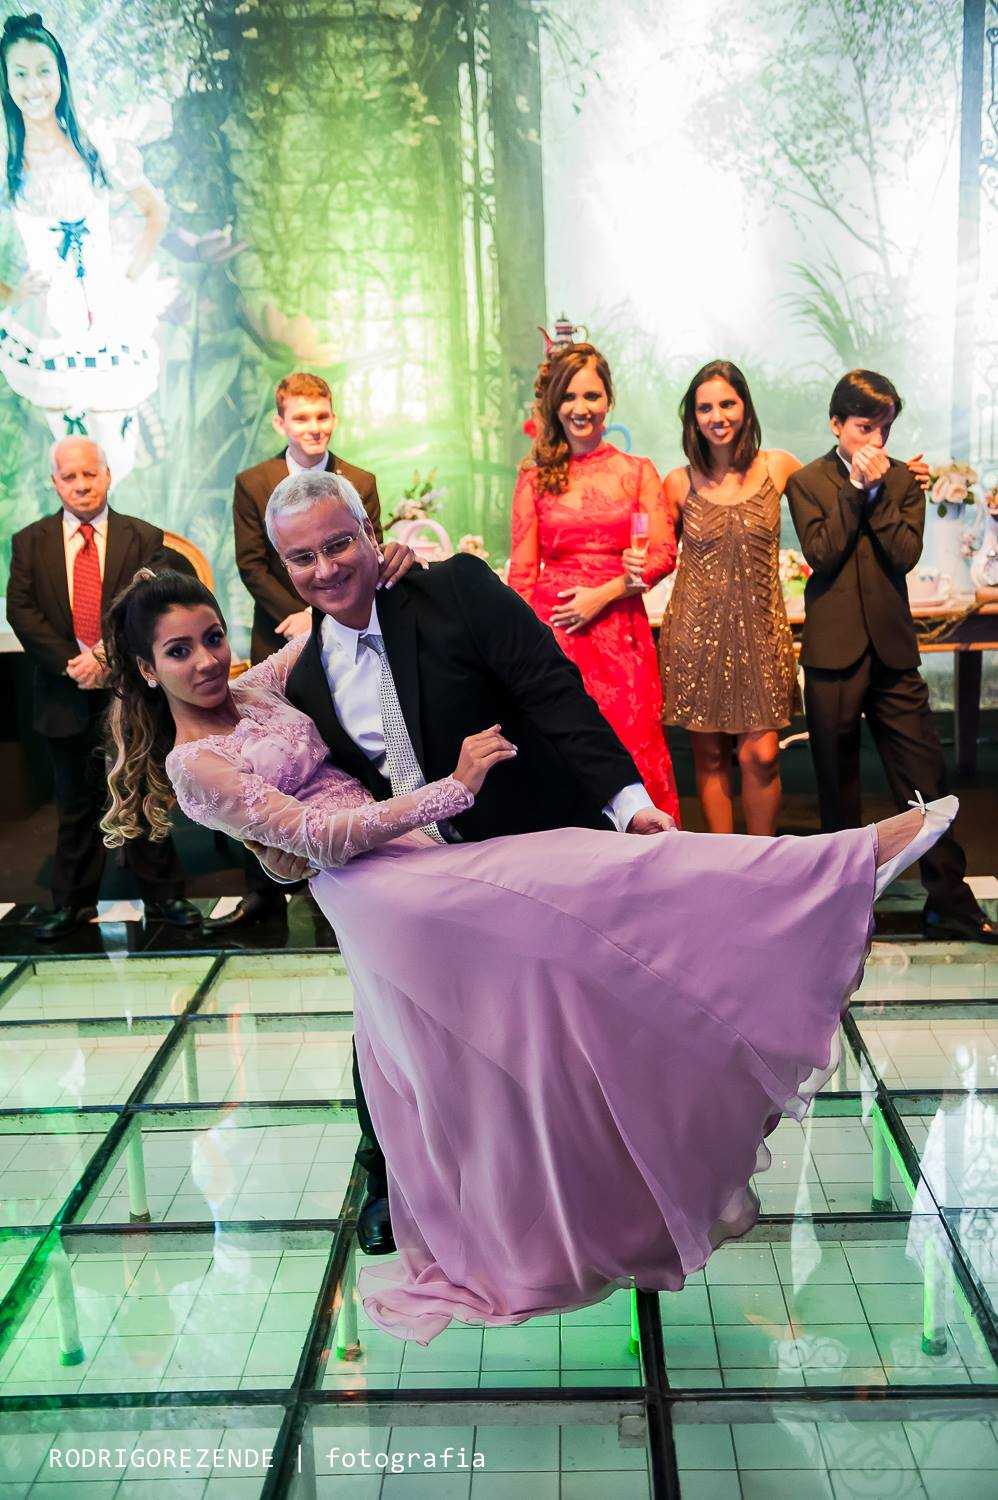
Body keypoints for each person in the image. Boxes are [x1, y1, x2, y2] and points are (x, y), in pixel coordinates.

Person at [100, 563, 955, 1344]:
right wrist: (453, 789)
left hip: (410, 861)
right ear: (145, 670)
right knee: (575, 879)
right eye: (179, 651)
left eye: (212, 636)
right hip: (378, 890)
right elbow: (316, 837)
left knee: (524, 1021)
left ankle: (814, 888)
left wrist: (387, 573)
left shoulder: (252, 690)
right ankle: (825, 873)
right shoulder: (195, 764)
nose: (206, 660)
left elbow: (333, 624)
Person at [244, 467, 675, 1253]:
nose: (326, 569)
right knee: (392, 1025)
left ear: (370, 534)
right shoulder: (302, 678)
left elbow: (552, 691)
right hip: (414, 880)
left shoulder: (455, 591)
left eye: (339, 544)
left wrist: (626, 803)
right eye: (302, 558)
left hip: (525, 847)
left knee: (559, 1029)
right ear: (282, 567)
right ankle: (388, 1176)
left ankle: (597, 1177)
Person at [786, 369, 996, 944]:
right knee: (837, 784)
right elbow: (823, 553)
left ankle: (949, 902)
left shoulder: (904, 479)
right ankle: (843, 909)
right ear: (836, 423)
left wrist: (879, 492)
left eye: (884, 429)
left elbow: (903, 554)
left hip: (893, 650)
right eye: (864, 427)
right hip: (832, 652)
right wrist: (855, 487)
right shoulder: (806, 481)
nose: (876, 441)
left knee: (925, 776)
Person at [226, 371, 403, 931]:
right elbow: (253, 563)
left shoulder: (359, 479)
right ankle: (266, 891)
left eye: (322, 416)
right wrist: (300, 613)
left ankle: (346, 886)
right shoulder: (253, 482)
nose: (314, 427)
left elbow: (365, 550)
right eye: (301, 417)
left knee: (339, 760)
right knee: (269, 768)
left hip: (347, 635)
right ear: (281, 422)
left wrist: (324, 613)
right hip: (279, 635)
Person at [6, 437, 199, 940]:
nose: (81, 485)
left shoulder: (144, 537)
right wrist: (71, 663)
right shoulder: (29, 542)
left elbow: (148, 604)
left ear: (108, 475)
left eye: (90, 473)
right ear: (54, 483)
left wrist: (105, 656)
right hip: (62, 691)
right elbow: (21, 610)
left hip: (128, 692)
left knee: (142, 793)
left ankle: (165, 897)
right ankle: (72, 904)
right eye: (69, 476)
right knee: (75, 804)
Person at [508, 342, 680, 821]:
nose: (580, 408)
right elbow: (522, 574)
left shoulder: (637, 472)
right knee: (562, 748)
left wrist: (605, 593)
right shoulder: (535, 476)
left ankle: (651, 853)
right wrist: (520, 649)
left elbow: (663, 553)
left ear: (608, 400)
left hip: (621, 634)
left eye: (591, 395)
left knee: (633, 740)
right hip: (555, 635)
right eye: (569, 397)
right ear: (554, 404)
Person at [0, 13, 169, 483]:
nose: (34, 86)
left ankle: (121, 530)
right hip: (49, 328)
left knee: (116, 455)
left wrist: (128, 278)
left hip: (110, 320)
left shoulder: (96, 145)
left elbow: (155, 213)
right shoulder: (6, 159)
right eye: (20, 74)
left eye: (43, 71)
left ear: (60, 74)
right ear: (6, 82)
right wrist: (11, 293)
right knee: (72, 457)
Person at [659, 361, 799, 835]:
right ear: (692, 418)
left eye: (727, 404)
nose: (717, 416)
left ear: (745, 407)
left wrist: (896, 476)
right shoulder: (678, 482)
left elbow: (836, 495)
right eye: (705, 408)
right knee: (711, 756)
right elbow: (654, 554)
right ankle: (725, 865)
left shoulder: (778, 467)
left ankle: (762, 861)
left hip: (762, 635)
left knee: (761, 756)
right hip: (695, 637)